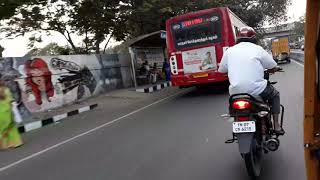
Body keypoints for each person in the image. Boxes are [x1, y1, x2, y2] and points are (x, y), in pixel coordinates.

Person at [218, 26, 284, 135]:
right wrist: (273, 69)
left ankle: (237, 121)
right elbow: (272, 65)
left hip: (235, 92)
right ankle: (276, 125)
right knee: (275, 95)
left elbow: (222, 70)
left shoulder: (229, 51)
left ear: (238, 38)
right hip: (257, 90)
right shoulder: (257, 49)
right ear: (253, 38)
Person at [0, 79, 23, 149]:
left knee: (3, 129)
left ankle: (4, 144)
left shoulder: (5, 90)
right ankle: (16, 142)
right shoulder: (6, 89)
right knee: (11, 127)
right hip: (8, 111)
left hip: (2, 113)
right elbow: (11, 100)